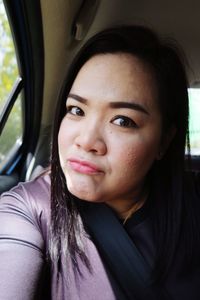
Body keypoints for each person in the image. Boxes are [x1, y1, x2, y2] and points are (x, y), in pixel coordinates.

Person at [0, 25, 200, 300]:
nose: (86, 140)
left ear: (163, 142)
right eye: (76, 110)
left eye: (123, 121)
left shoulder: (192, 204)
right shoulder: (27, 209)